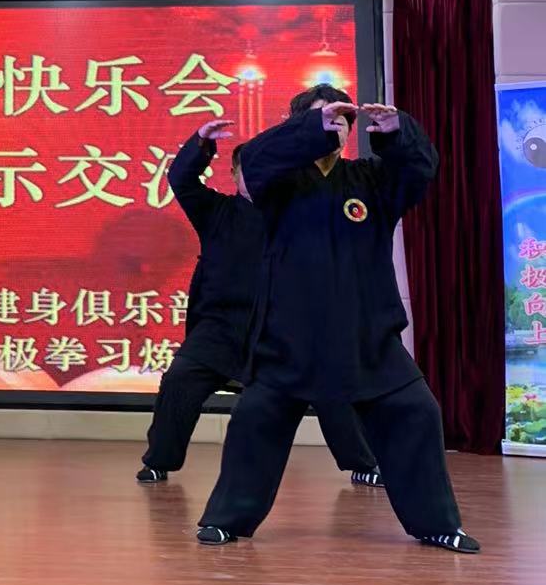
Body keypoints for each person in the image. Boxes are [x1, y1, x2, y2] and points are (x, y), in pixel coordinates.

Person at [197, 84, 479, 552]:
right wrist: (311, 130)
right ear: (298, 126)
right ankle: (227, 520)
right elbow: (257, 158)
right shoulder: (275, 183)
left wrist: (397, 133)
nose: (334, 127)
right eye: (321, 118)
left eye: (340, 120)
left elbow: (419, 170)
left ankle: (436, 524)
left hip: (367, 338)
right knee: (254, 420)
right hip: (288, 340)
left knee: (416, 412)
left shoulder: (371, 180)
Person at [139, 119, 379, 486]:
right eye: (243, 170)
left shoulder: (295, 213)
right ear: (234, 174)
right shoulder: (215, 211)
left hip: (283, 328)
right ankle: (160, 460)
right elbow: (181, 181)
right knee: (180, 380)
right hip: (220, 328)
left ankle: (361, 462)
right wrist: (202, 144)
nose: (252, 177)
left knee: (329, 384)